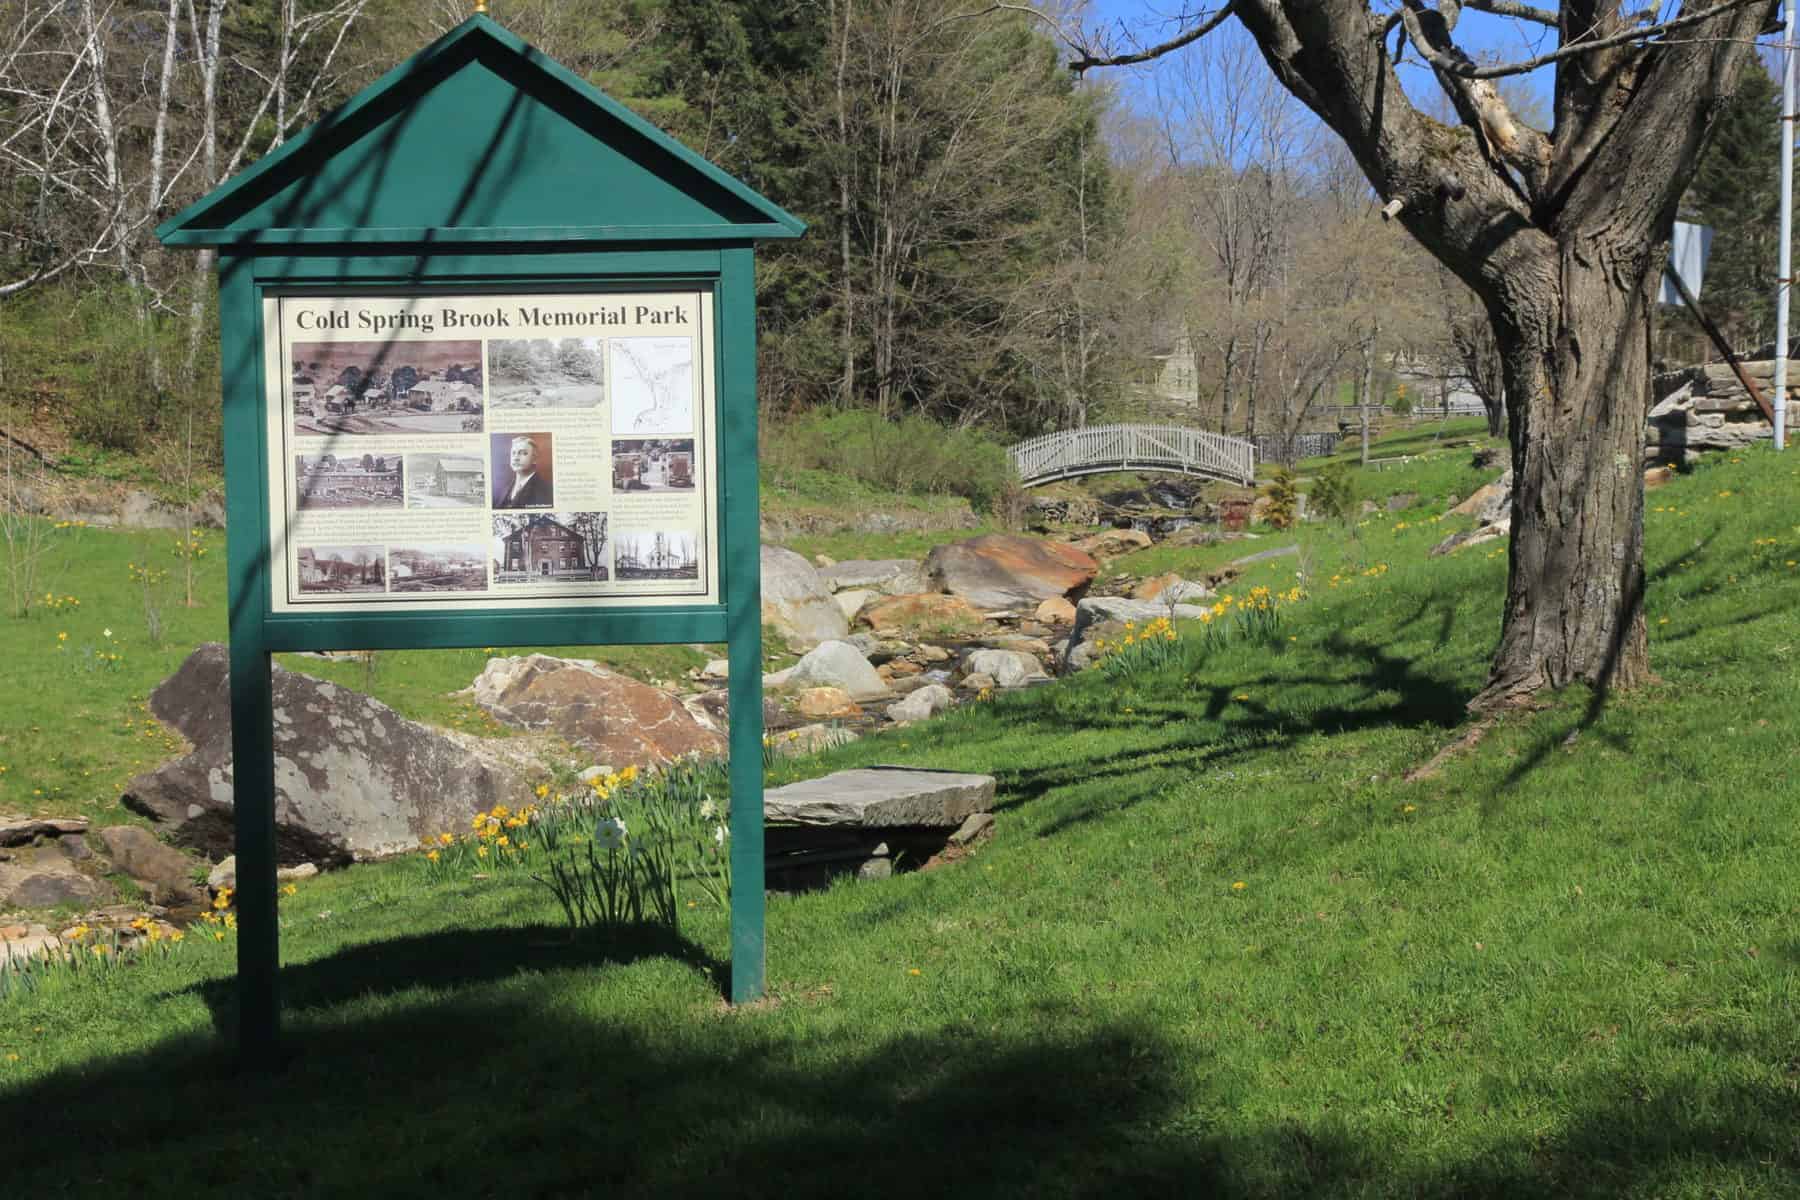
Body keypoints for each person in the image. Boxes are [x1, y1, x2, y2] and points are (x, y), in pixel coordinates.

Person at [494, 435, 552, 508]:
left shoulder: (547, 490)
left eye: (523, 453)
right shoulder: (504, 489)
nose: (516, 458)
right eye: (513, 453)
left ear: (535, 459)